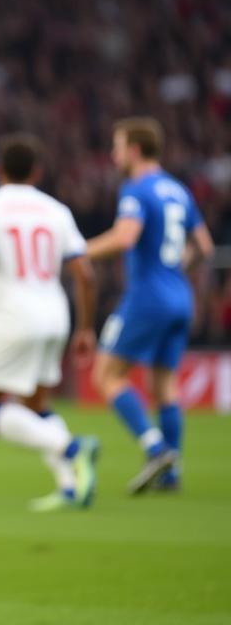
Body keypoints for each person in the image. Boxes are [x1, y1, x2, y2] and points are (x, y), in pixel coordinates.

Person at [0, 134, 98, 512]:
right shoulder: (57, 211)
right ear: (37, 172)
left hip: (14, 315)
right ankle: (70, 486)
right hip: (57, 315)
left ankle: (71, 447)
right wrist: (85, 328)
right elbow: (85, 274)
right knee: (36, 406)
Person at [86, 117, 213, 494]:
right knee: (165, 386)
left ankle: (155, 448)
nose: (114, 155)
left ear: (135, 150)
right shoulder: (178, 190)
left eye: (118, 146)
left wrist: (78, 250)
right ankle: (172, 474)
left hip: (147, 298)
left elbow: (126, 238)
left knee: (106, 375)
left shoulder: (136, 189)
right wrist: (175, 268)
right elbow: (203, 246)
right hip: (180, 298)